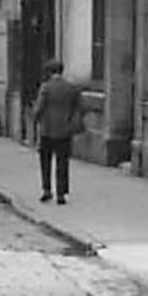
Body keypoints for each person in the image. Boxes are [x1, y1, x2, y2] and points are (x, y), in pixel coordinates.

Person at [32, 60, 84, 205]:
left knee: (46, 161)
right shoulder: (71, 88)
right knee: (62, 163)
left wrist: (35, 119)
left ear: (49, 72)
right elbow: (79, 107)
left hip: (47, 130)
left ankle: (47, 190)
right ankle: (61, 193)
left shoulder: (46, 87)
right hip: (64, 131)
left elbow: (39, 108)